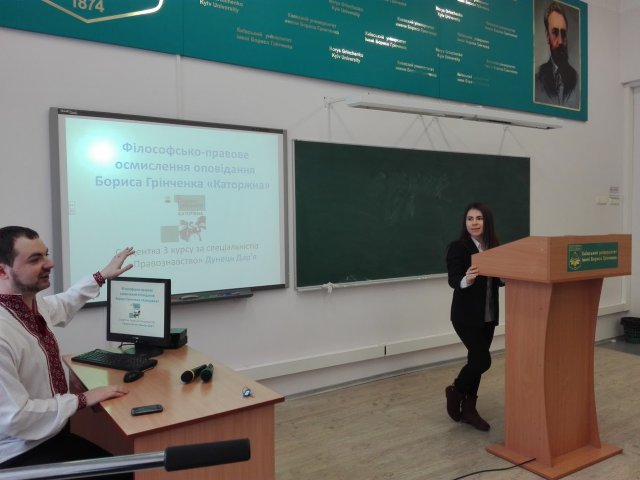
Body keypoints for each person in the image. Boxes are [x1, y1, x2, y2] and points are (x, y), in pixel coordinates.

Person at [0, 226, 134, 477]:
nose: (49, 263)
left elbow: (64, 303)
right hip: (19, 455)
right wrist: (81, 399)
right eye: (35, 259)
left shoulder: (32, 304)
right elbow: (15, 418)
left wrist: (101, 276)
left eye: (46, 254)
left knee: (126, 466)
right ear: (2, 271)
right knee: (128, 473)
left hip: (51, 436)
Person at [444, 203, 502, 431]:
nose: (474, 223)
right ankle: (455, 390)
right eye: (470, 219)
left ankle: (469, 410)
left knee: (475, 361)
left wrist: (508, 275)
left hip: (488, 315)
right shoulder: (458, 247)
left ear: (487, 222)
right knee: (482, 361)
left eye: (479, 218)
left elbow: (497, 280)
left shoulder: (494, 248)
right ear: (465, 223)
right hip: (465, 316)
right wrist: (466, 279)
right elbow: (453, 280)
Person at [534, 1, 579, 108]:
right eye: (555, 33)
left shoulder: (576, 78)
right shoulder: (537, 79)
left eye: (563, 33)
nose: (560, 41)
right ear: (547, 37)